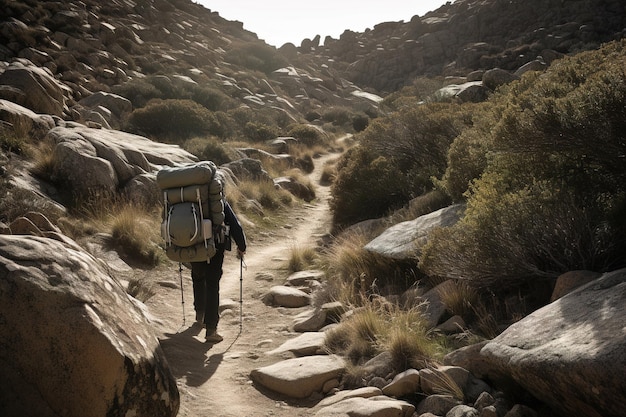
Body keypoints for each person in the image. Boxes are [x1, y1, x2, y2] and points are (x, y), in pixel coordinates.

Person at [191, 200, 246, 343]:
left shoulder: (187, 197)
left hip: (192, 243)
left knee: (197, 275)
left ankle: (200, 314)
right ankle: (211, 329)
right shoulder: (217, 200)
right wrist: (241, 246)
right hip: (215, 246)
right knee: (212, 284)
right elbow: (235, 225)